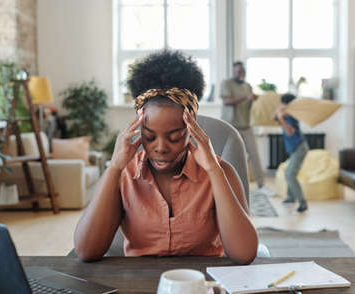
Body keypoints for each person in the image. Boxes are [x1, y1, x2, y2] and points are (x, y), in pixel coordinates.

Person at [74, 50, 258, 264]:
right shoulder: (124, 174)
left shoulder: (221, 171)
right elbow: (86, 250)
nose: (160, 148)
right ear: (138, 128)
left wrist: (214, 172)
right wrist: (114, 167)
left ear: (192, 128)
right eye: (150, 136)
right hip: (137, 286)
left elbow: (244, 254)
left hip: (201, 286)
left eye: (175, 136)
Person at [220, 62, 268, 193]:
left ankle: (262, 186)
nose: (240, 73)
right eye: (237, 71)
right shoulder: (226, 83)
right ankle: (226, 187)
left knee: (254, 155)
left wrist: (254, 98)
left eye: (242, 71)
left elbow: (251, 102)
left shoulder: (248, 86)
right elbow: (226, 101)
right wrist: (245, 97)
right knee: (229, 157)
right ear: (233, 71)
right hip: (231, 126)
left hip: (246, 126)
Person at [273, 93, 309, 213]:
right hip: (295, 149)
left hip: (299, 148)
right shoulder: (285, 113)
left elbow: (290, 133)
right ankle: (290, 198)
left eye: (282, 103)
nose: (280, 105)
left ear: (287, 104)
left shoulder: (290, 116)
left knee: (289, 174)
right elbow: (273, 118)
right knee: (289, 171)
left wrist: (282, 118)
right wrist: (278, 111)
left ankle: (302, 203)